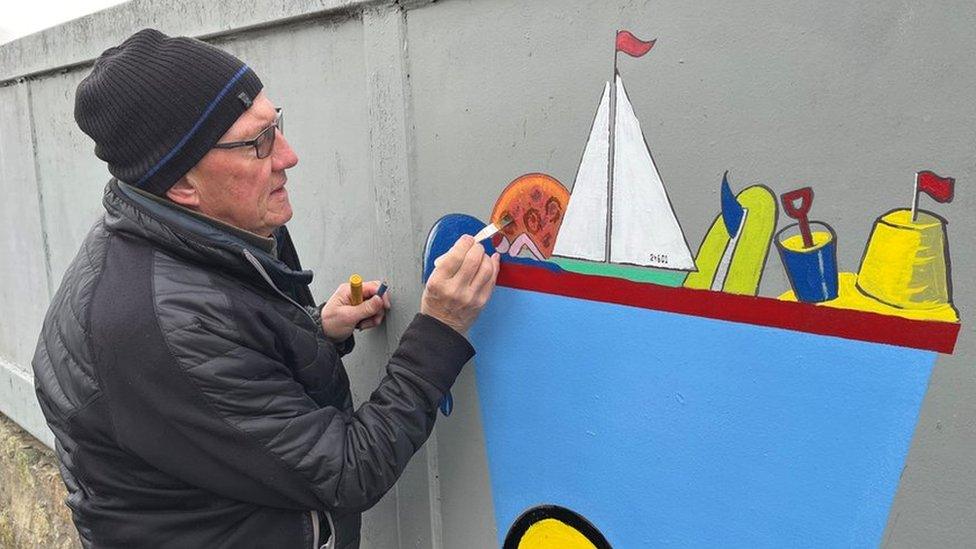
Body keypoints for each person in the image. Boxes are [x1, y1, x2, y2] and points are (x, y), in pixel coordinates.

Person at [31, 28, 499, 549]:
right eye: (258, 143)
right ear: (182, 184)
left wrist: (314, 328)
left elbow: (221, 385)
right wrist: (439, 328)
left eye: (276, 125)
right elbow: (347, 471)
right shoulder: (159, 326)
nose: (288, 155)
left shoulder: (189, 240)